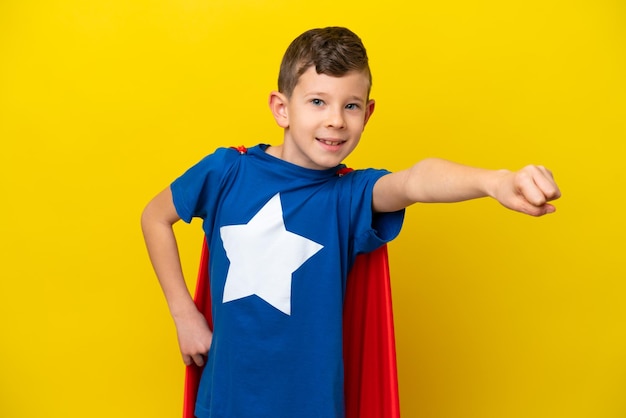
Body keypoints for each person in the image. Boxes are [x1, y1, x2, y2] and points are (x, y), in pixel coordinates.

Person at [141, 26, 560, 418]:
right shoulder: (227, 171)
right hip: (227, 398)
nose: (336, 120)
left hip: (314, 405)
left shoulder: (351, 195)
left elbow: (416, 180)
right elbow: (155, 217)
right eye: (318, 101)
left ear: (368, 113)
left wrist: (495, 180)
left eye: (351, 105)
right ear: (281, 108)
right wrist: (185, 316)